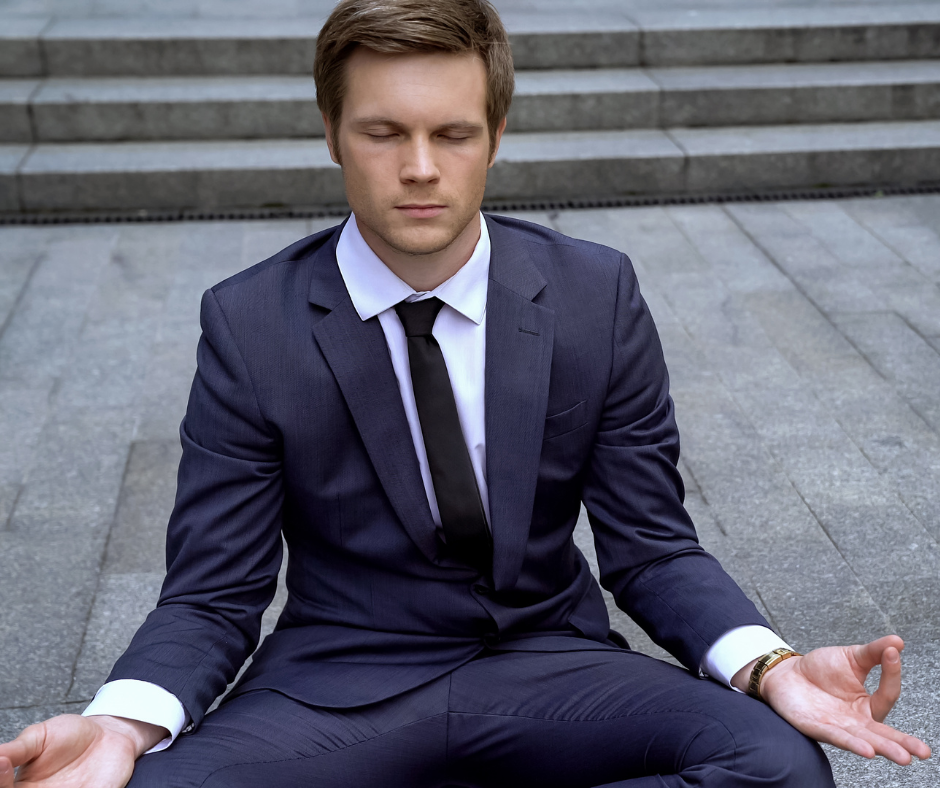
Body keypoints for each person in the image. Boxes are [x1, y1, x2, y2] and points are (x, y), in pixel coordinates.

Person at [0, 1, 931, 786]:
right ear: (332, 135)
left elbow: (650, 546)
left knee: (778, 765)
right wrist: (119, 725)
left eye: (452, 133)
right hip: (339, 684)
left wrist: (769, 667)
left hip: (549, 665)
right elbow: (213, 593)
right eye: (383, 132)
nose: (419, 167)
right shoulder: (251, 324)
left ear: (493, 138)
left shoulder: (591, 295)